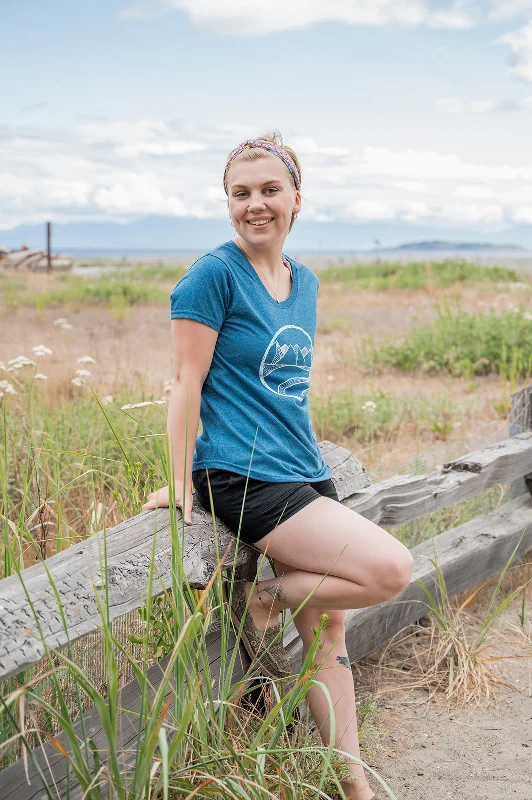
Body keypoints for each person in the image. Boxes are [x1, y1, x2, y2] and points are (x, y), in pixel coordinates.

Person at [142, 131, 414, 800]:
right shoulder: (212, 276)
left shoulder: (304, 281)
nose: (255, 204)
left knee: (329, 633)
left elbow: (285, 389)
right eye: (241, 193)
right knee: (389, 570)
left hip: (300, 468)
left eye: (269, 190)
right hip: (241, 474)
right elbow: (186, 383)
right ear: (227, 202)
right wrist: (180, 481)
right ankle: (262, 605)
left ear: (297, 198)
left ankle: (353, 786)